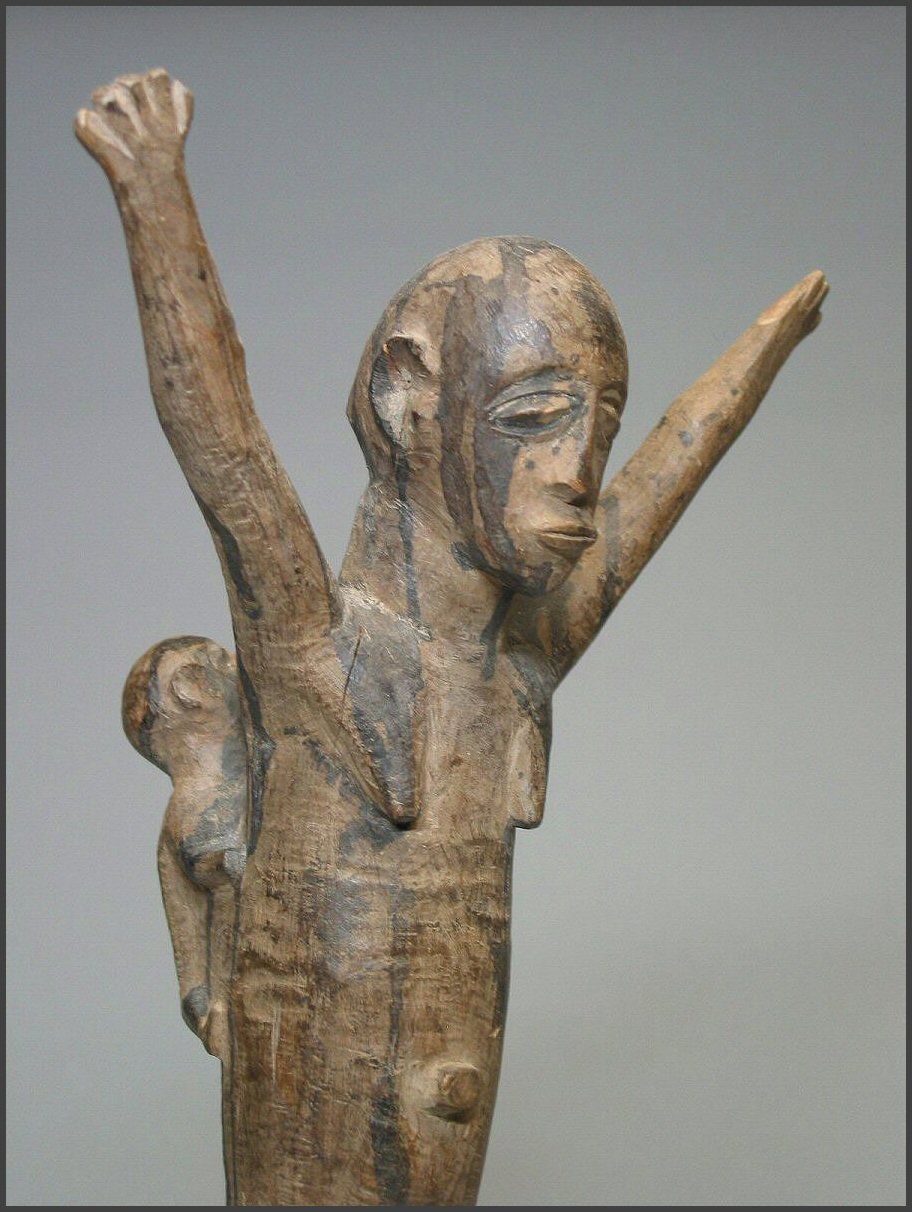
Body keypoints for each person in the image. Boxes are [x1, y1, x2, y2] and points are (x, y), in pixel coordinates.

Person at [122, 636, 246, 1060]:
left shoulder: (189, 812)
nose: (236, 664)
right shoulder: (194, 815)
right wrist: (206, 1005)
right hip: (257, 994)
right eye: (220, 661)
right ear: (191, 692)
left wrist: (200, 1000)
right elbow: (189, 939)